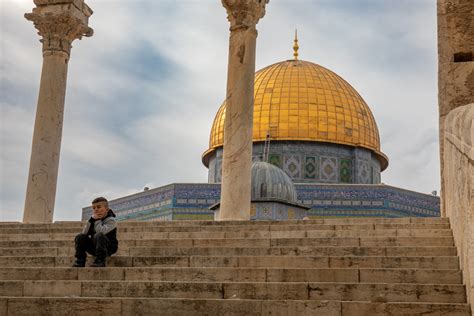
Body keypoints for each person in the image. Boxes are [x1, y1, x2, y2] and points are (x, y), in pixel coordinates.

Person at [72, 197, 118, 267]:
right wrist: (90, 221)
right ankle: (80, 261)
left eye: (99, 207)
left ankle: (100, 261)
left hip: (108, 248)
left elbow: (101, 231)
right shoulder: (93, 219)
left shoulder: (111, 220)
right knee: (79, 237)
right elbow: (84, 234)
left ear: (107, 209)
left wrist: (97, 220)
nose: (96, 209)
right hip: (94, 247)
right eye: (94, 208)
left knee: (99, 235)